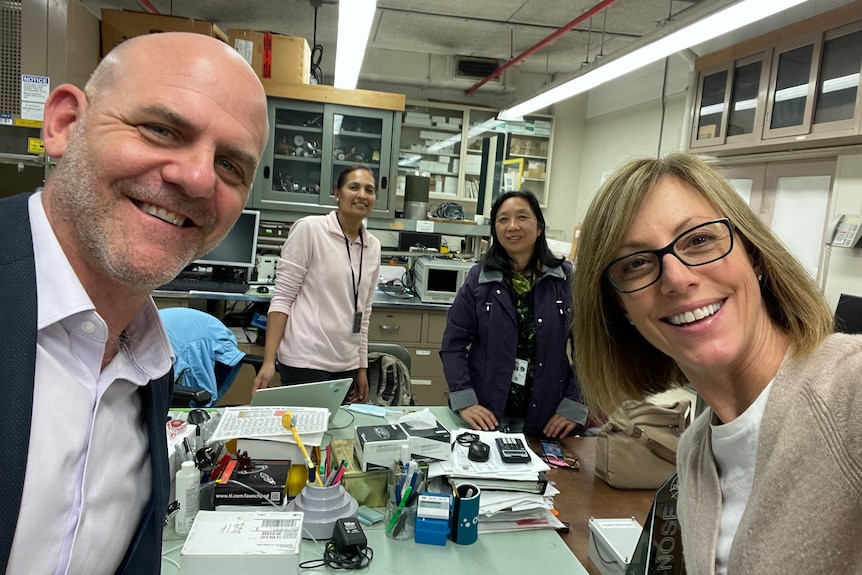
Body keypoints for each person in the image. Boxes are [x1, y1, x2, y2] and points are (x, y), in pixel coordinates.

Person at [0, 33, 268, 575]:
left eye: (230, 166)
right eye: (162, 129)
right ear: (65, 125)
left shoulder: (151, 365)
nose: (196, 178)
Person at [573, 153, 862, 574]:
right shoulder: (695, 453)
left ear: (755, 255)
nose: (677, 278)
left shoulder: (850, 391)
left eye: (699, 240)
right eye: (636, 263)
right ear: (620, 309)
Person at [440, 190, 587, 438]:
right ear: (495, 229)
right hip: (486, 414)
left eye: (522, 217)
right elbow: (453, 345)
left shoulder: (565, 279)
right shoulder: (480, 279)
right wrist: (464, 400)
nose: (512, 226)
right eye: (503, 219)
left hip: (548, 417)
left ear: (539, 227)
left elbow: (590, 351)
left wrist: (575, 404)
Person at [252, 165, 381, 403]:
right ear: (337, 193)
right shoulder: (310, 229)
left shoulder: (373, 247)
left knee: (337, 438)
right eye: (354, 187)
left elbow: (364, 313)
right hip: (305, 360)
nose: (362, 194)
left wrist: (361, 366)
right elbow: (282, 299)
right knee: (301, 436)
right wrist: (269, 361)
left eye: (369, 189)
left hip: (346, 364)